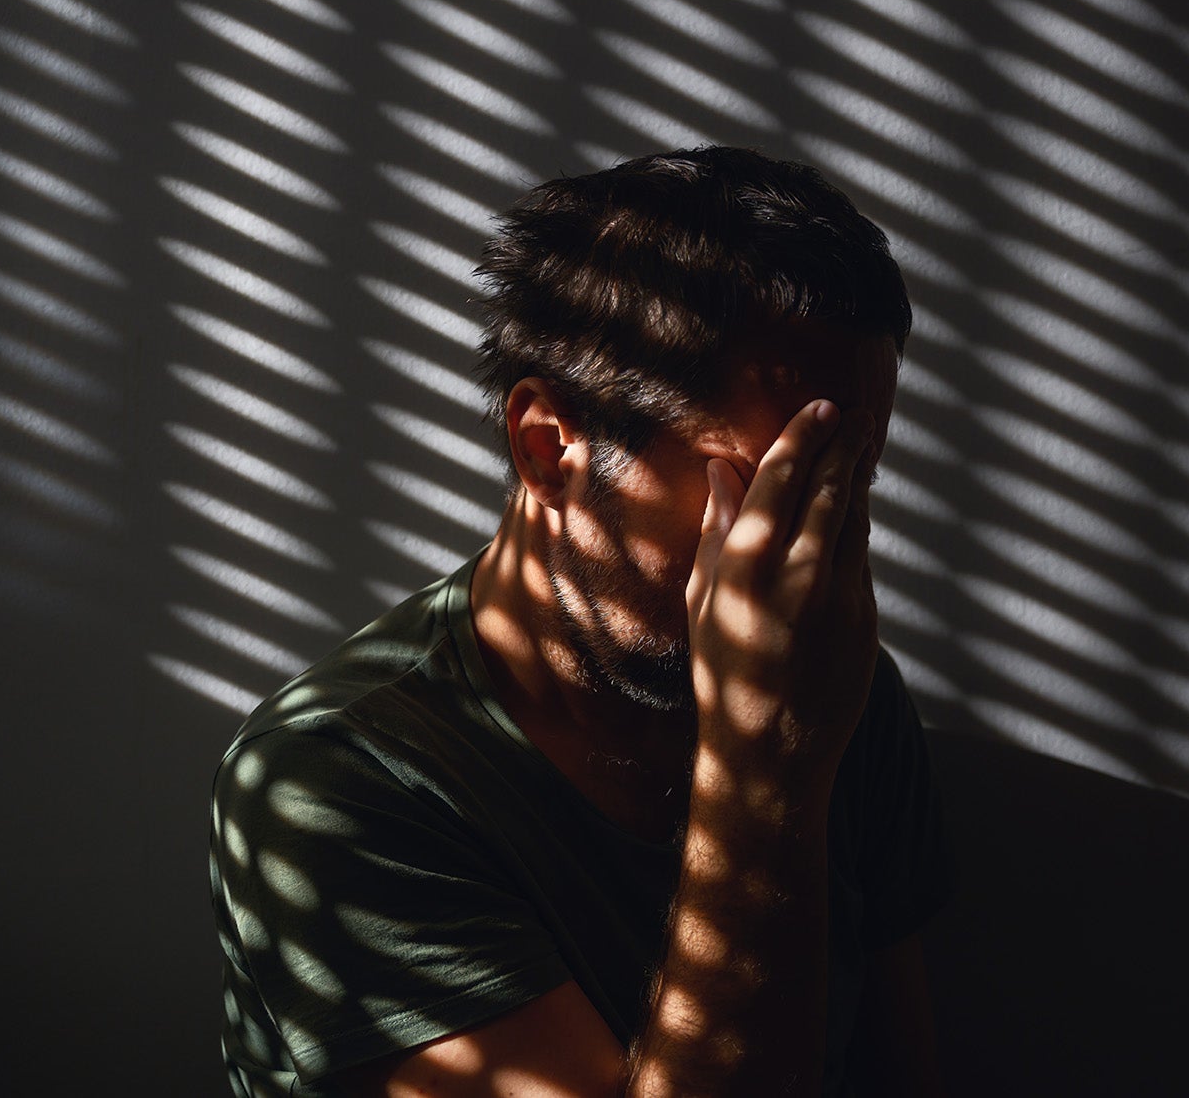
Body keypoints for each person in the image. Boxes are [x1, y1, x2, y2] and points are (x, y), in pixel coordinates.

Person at [209, 145, 954, 1097]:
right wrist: (763, 772)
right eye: (777, 486)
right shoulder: (332, 783)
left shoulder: (841, 688)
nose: (821, 549)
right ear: (549, 448)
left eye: (851, 484)